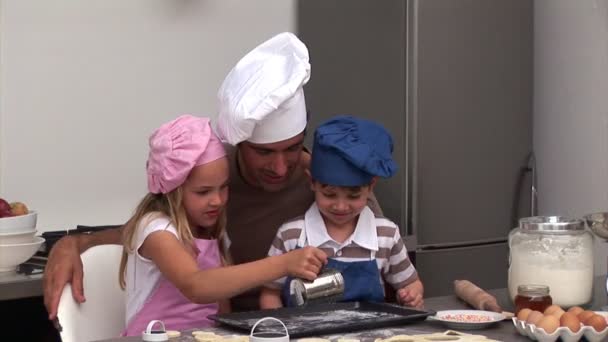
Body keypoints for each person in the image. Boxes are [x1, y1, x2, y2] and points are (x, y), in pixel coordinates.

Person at [42, 32, 383, 318]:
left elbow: (380, 249)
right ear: (238, 145)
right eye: (264, 152)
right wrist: (74, 243)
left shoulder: (328, 182)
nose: (281, 167)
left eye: (292, 148)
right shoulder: (211, 178)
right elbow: (149, 233)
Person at [118, 114, 326, 335]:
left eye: (223, 187)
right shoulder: (156, 230)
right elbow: (196, 286)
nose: (217, 200)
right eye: (203, 191)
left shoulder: (215, 231)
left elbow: (222, 305)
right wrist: (282, 264)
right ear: (172, 190)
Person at [259, 116, 424, 309]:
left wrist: (412, 295)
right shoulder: (291, 235)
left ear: (371, 187)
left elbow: (411, 283)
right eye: (329, 194)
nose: (341, 206)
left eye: (353, 196)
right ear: (312, 182)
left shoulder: (386, 235)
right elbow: (270, 293)